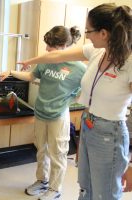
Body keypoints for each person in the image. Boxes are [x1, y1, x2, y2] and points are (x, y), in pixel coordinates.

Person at [17, 3, 132, 200]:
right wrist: (31, 61)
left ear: (104, 33)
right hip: (89, 124)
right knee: (85, 187)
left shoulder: (129, 63)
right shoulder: (96, 51)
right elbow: (57, 55)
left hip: (110, 132)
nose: (86, 35)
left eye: (89, 31)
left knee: (105, 194)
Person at [0, 25, 86, 200]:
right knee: (41, 150)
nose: (46, 49)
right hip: (41, 113)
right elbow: (31, 76)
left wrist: (68, 101)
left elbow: (85, 90)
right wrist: (10, 72)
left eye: (50, 46)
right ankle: (42, 181)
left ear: (63, 47)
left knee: (58, 153)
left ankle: (55, 188)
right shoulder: (46, 60)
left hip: (58, 116)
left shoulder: (79, 68)